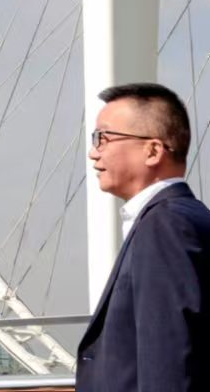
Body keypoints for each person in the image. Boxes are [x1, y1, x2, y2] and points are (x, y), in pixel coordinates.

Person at [77, 81, 210, 390]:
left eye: (103, 138)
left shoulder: (164, 225)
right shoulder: (192, 216)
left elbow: (170, 352)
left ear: (152, 150)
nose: (93, 153)